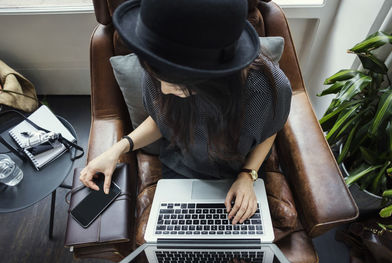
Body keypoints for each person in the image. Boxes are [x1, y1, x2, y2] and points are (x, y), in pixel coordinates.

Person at [79, 0, 292, 226]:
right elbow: (162, 120)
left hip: (238, 173)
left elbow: (270, 130)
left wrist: (248, 175)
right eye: (160, 79)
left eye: (178, 85)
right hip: (180, 168)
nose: (163, 90)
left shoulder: (267, 89)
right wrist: (118, 149)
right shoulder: (159, 61)